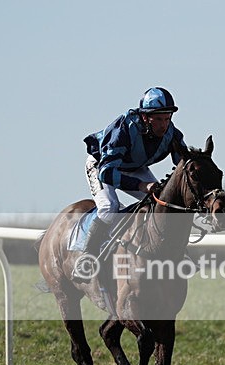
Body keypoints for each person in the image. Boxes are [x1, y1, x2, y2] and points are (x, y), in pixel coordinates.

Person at [81, 87, 188, 256]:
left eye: (167, 119)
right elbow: (106, 174)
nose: (164, 125)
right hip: (102, 166)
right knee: (109, 208)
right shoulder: (123, 129)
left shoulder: (172, 134)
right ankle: (87, 256)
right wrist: (140, 185)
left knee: (158, 202)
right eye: (159, 119)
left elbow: (185, 164)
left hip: (133, 167)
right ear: (145, 117)